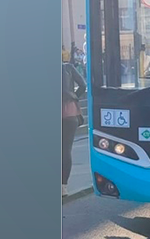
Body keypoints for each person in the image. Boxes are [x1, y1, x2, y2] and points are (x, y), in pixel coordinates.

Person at [62, 61, 86, 197]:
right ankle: (63, 186)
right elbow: (83, 85)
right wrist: (74, 97)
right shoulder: (68, 67)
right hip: (70, 112)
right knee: (66, 150)